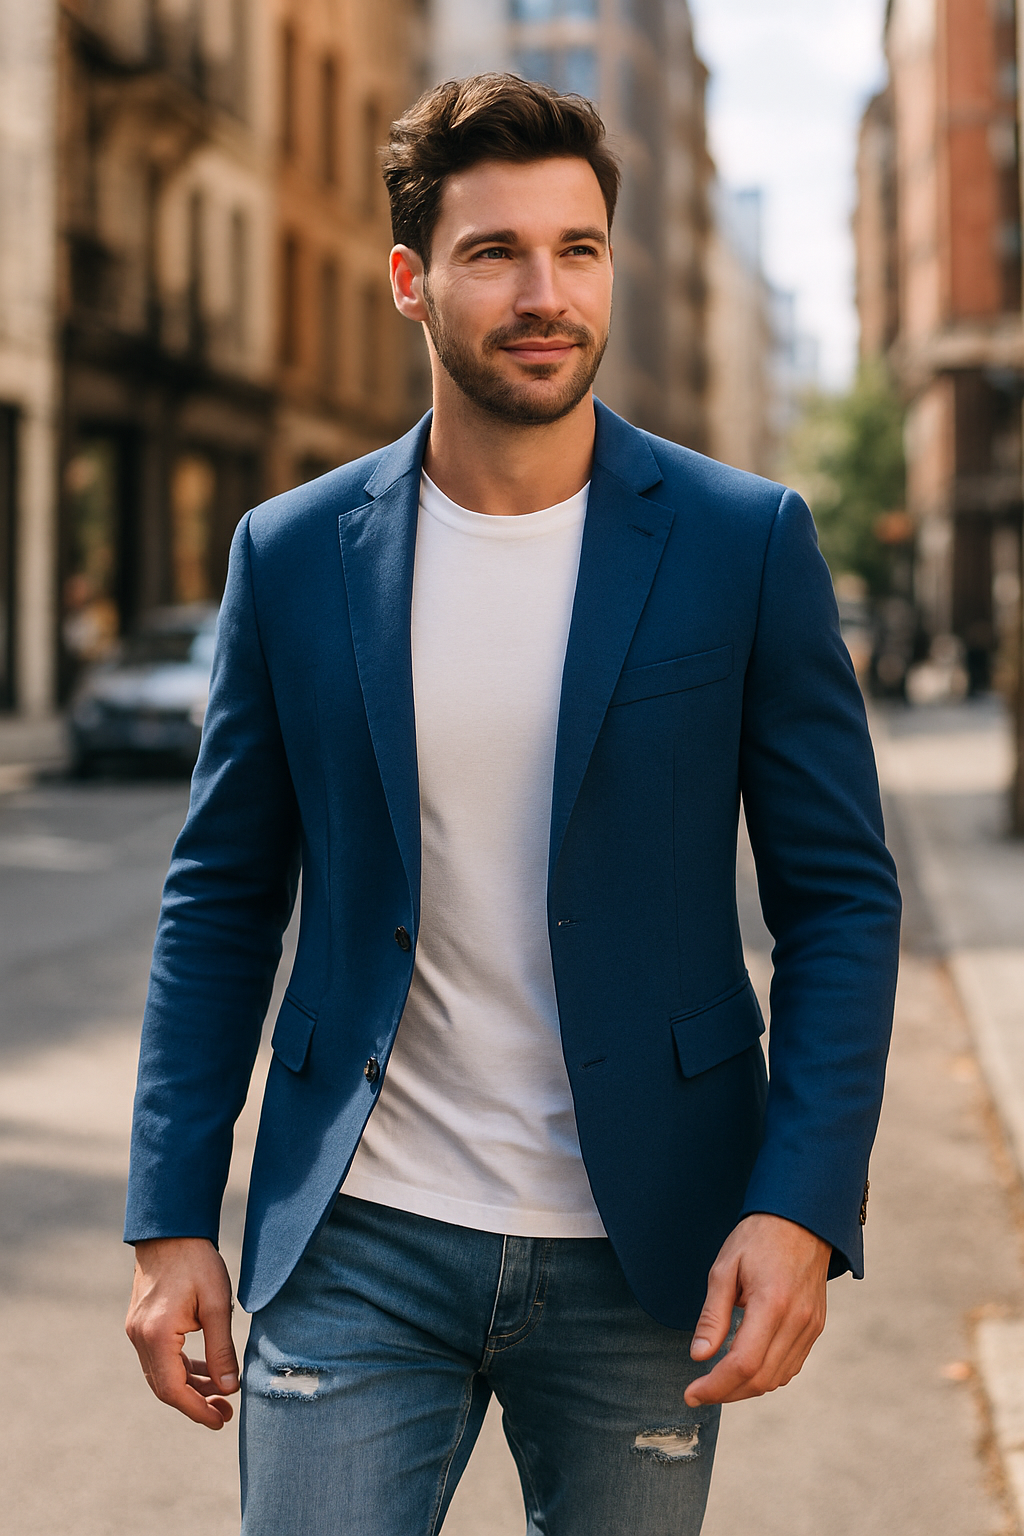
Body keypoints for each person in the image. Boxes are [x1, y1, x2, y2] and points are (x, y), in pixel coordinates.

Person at [124, 74, 901, 1536]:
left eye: (579, 249)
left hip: (648, 1247)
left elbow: (842, 901)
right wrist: (170, 1218)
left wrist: (801, 1206)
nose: (547, 294)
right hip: (358, 1234)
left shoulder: (745, 546)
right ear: (412, 282)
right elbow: (221, 894)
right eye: (496, 254)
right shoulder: (293, 555)